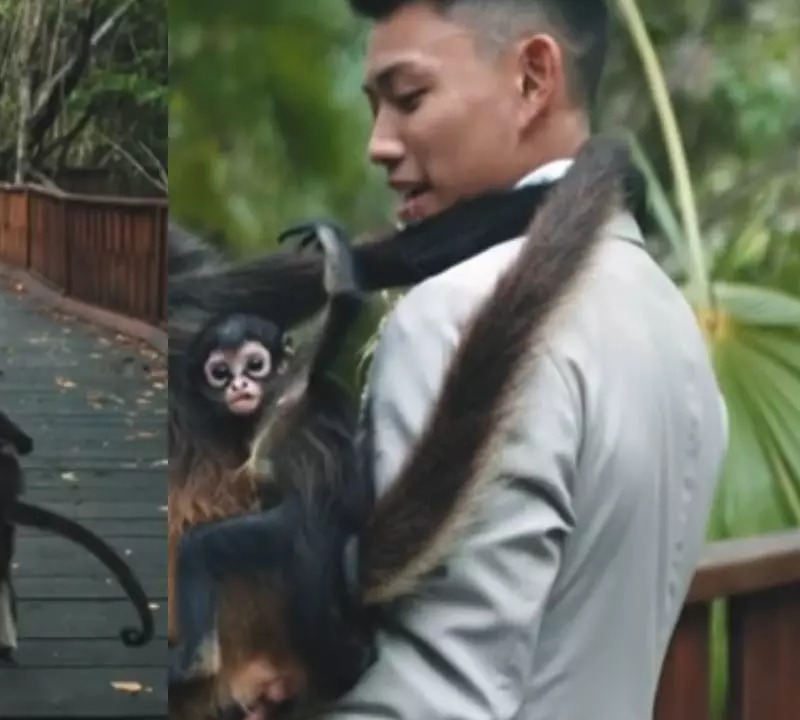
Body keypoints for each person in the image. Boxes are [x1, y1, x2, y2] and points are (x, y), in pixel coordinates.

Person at [237, 1, 729, 718]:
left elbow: (433, 697)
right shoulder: (668, 317)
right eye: (376, 108)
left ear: (533, 79)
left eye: (410, 98)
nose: (379, 143)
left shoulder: (455, 319)